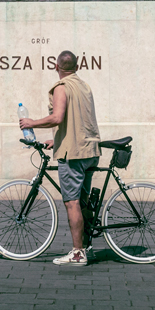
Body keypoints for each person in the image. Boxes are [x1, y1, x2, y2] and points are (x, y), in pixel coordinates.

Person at [18, 50, 101, 266]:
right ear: (77, 66)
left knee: (71, 202)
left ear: (57, 67)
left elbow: (58, 117)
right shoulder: (84, 87)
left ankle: (77, 253)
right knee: (82, 201)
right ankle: (86, 245)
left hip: (72, 155)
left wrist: (31, 122)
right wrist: (58, 140)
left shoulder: (61, 88)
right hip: (89, 151)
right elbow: (79, 120)